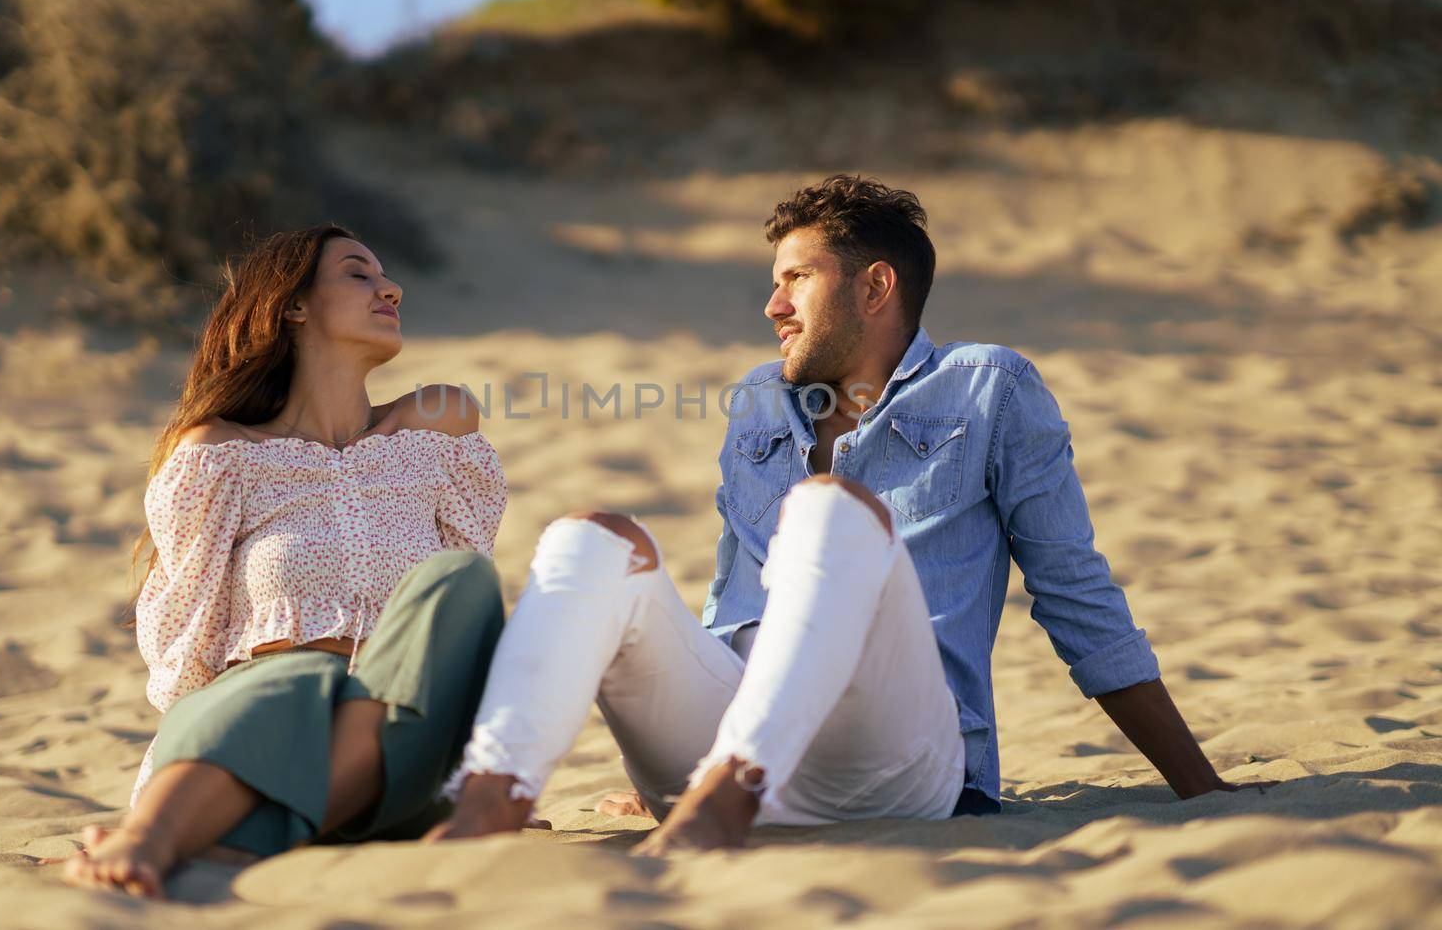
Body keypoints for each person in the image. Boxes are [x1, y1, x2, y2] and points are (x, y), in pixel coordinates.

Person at [430, 175, 1264, 852]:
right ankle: (488, 801)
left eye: (795, 277)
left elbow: (1074, 590)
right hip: (734, 723)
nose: (773, 306)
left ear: (875, 285)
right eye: (773, 283)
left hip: (895, 758)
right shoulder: (759, 399)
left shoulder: (988, 385)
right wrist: (678, 725)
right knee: (590, 536)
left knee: (830, 512)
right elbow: (733, 593)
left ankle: (729, 793)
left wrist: (1198, 784)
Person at [62, 224, 509, 895]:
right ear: (293, 304)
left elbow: (459, 628)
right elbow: (185, 642)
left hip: (403, 740)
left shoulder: (436, 429)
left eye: (386, 276)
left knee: (461, 580)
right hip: (253, 731)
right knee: (294, 678)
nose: (390, 287)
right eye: (358, 273)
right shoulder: (221, 452)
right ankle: (156, 833)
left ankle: (216, 839)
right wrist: (192, 743)